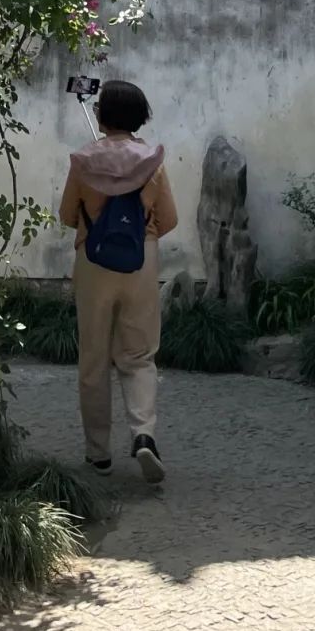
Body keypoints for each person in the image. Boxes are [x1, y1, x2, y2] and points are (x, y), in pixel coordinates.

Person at [59, 78, 177, 483]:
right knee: (139, 354)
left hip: (93, 262)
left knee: (94, 357)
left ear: (102, 115)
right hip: (141, 259)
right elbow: (170, 219)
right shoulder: (153, 162)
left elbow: (67, 214)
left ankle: (99, 454)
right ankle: (143, 434)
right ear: (139, 117)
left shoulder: (83, 160)